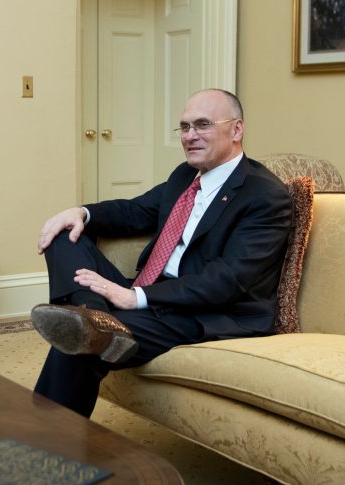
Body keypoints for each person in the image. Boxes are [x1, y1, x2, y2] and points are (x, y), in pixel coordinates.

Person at [31, 89, 292, 417]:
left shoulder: (264, 195)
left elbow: (227, 280)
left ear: (236, 129)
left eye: (202, 125)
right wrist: (82, 212)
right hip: (155, 296)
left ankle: (45, 439)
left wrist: (136, 297)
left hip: (204, 313)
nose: (190, 136)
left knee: (78, 346)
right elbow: (135, 211)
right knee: (64, 234)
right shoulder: (184, 176)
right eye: (184, 127)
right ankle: (93, 316)